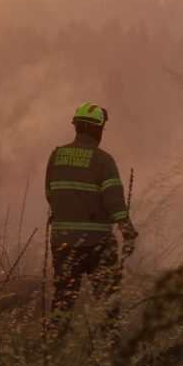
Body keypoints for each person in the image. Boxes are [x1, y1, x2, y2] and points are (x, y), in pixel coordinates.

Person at [45, 101, 138, 345]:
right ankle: (108, 351)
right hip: (97, 245)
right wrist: (128, 232)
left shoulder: (56, 156)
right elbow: (114, 201)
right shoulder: (102, 160)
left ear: (76, 127)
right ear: (98, 130)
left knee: (63, 298)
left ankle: (54, 345)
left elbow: (50, 194)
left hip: (62, 242)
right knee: (107, 300)